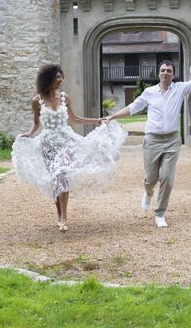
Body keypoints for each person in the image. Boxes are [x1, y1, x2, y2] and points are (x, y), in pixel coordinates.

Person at [12, 64, 127, 232]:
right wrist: (28, 135)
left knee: (61, 173)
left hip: (66, 140)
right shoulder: (37, 101)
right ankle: (59, 214)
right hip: (47, 144)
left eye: (61, 77)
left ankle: (64, 217)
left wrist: (96, 121)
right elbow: (37, 123)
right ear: (49, 79)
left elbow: (75, 119)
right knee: (55, 179)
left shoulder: (64, 98)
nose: (61, 80)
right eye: (58, 77)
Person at [105, 46, 191, 228]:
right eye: (163, 70)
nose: (166, 73)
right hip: (152, 140)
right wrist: (112, 116)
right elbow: (132, 108)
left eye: (169, 71)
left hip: (172, 141)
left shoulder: (180, 89)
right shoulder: (149, 92)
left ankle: (160, 213)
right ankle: (148, 192)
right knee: (151, 178)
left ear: (173, 74)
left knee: (167, 178)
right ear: (159, 73)